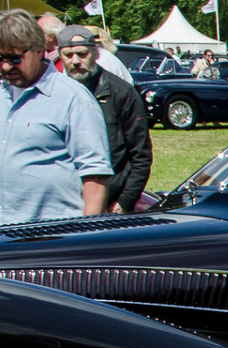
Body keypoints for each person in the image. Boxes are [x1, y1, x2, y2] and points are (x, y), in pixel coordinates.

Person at [0, 11, 111, 228]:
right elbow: (0, 162)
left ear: (39, 51)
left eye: (15, 58)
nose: (6, 66)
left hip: (56, 236)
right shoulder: (2, 96)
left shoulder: (73, 98)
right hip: (7, 233)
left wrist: (87, 234)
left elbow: (96, 175)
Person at [57, 27, 149, 214]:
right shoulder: (53, 94)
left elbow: (141, 154)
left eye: (82, 54)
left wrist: (125, 200)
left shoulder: (121, 92)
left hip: (110, 204)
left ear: (95, 53)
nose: (75, 61)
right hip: (65, 205)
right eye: (68, 55)